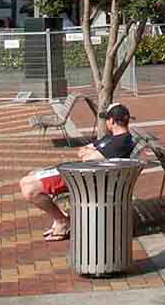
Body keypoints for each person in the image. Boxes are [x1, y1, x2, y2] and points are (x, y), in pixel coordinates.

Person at [19, 103, 137, 241]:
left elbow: (87, 158)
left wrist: (90, 152)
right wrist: (90, 152)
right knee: (29, 178)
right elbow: (82, 151)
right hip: (80, 173)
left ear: (112, 121)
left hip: (84, 178)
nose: (106, 122)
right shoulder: (111, 138)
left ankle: (62, 221)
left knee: (29, 189)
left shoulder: (121, 142)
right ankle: (60, 218)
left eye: (106, 119)